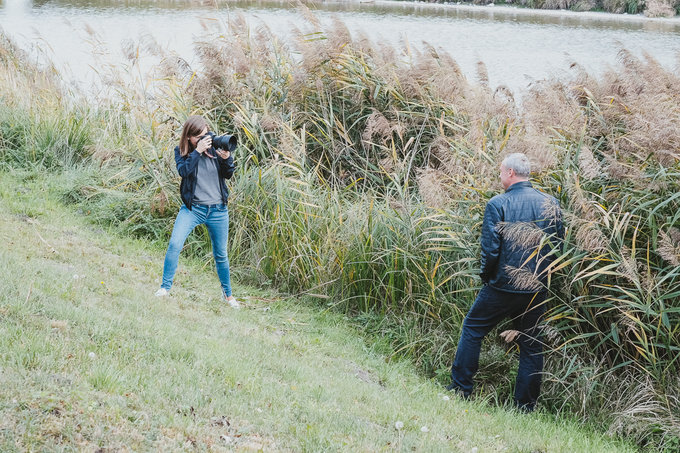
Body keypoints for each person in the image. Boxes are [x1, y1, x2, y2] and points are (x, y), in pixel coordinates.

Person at [447, 152, 563, 411]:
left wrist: (488, 278)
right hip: (536, 288)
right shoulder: (551, 203)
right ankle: (525, 407)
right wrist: (544, 280)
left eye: (501, 172)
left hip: (502, 286)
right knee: (532, 344)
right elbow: (558, 248)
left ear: (510, 173)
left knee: (473, 328)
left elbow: (490, 251)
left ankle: (461, 388)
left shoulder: (498, 203)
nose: (500, 176)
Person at [155, 115, 240, 308]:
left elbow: (228, 174)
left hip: (218, 210)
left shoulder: (215, 148)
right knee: (175, 244)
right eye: (199, 137)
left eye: (206, 134)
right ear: (189, 138)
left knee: (221, 254)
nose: (204, 139)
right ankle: (164, 288)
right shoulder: (182, 152)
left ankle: (228, 296)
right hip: (193, 209)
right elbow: (183, 172)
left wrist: (227, 159)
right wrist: (198, 152)